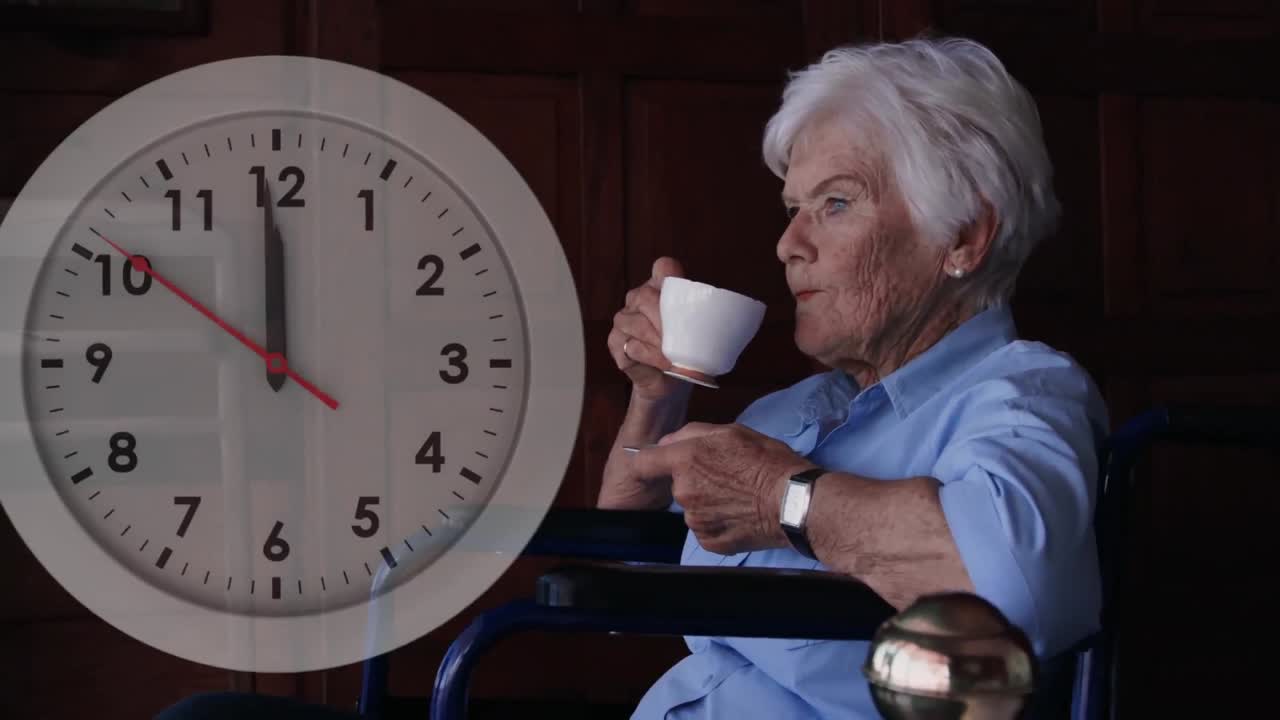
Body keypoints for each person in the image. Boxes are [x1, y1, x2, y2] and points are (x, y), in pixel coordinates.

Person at [603, 35, 1107, 718]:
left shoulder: (1021, 395)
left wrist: (780, 498)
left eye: (835, 204)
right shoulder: (792, 411)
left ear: (963, 236)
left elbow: (1017, 593)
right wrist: (656, 401)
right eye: (793, 210)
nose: (788, 244)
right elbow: (619, 582)